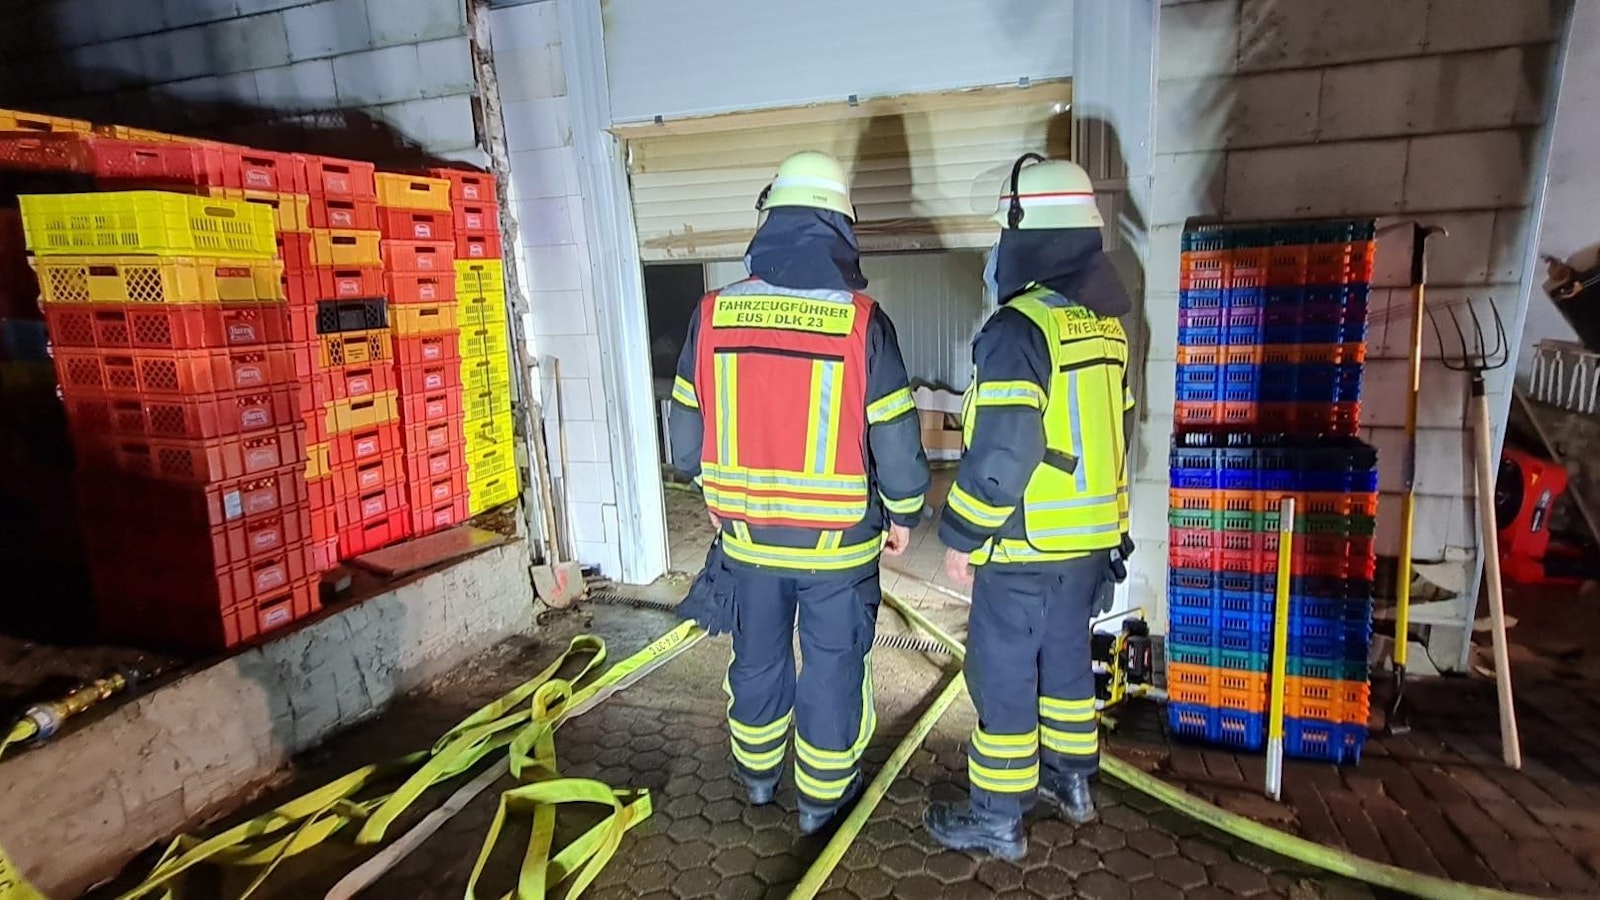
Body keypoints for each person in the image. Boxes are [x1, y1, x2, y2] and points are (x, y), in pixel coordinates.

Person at [668, 150, 930, 834]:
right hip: (837, 550)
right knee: (833, 671)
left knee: (754, 662)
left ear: (769, 222)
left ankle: (757, 780)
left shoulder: (713, 314)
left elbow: (684, 446)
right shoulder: (861, 321)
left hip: (748, 543)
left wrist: (720, 487)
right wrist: (903, 512)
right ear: (842, 229)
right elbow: (896, 436)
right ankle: (821, 801)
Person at [923, 155, 1135, 861]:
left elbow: (1003, 451)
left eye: (1000, 232)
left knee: (1002, 678)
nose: (993, 250)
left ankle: (996, 819)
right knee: (1067, 666)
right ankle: (1072, 785)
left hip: (1024, 547)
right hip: (1085, 545)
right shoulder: (1102, 327)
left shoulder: (1019, 329)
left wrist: (964, 536)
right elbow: (1117, 433)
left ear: (1027, 234)